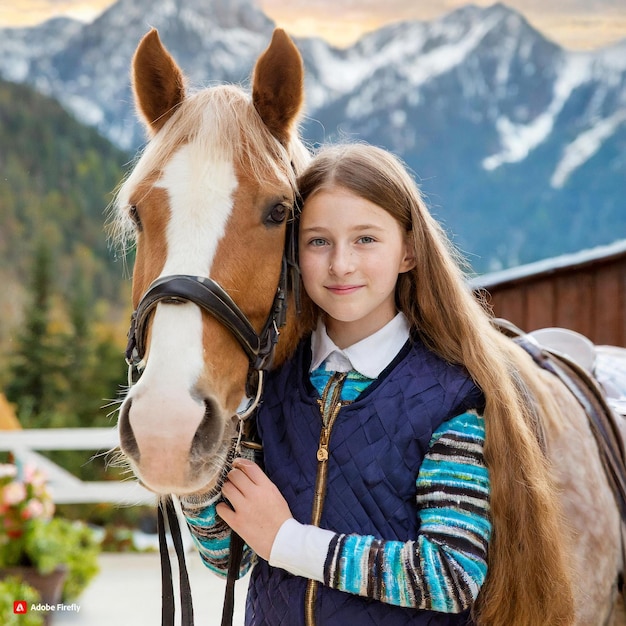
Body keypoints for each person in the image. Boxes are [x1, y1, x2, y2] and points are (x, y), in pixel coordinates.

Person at [181, 144, 574, 625]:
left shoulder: (448, 396)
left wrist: (288, 541)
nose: (341, 264)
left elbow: (451, 575)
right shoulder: (270, 387)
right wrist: (195, 468)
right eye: (317, 241)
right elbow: (230, 557)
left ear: (408, 250)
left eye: (365, 239)